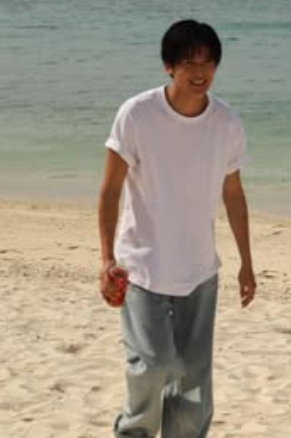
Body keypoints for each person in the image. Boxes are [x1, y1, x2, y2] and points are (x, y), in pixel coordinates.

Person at [98, 19, 257, 438]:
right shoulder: (137, 114)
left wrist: (246, 262)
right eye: (189, 62)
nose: (199, 71)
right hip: (141, 268)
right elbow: (110, 190)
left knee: (193, 384)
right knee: (153, 365)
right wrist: (106, 259)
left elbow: (234, 195)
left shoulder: (226, 122)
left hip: (200, 271)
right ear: (169, 66)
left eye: (208, 62)